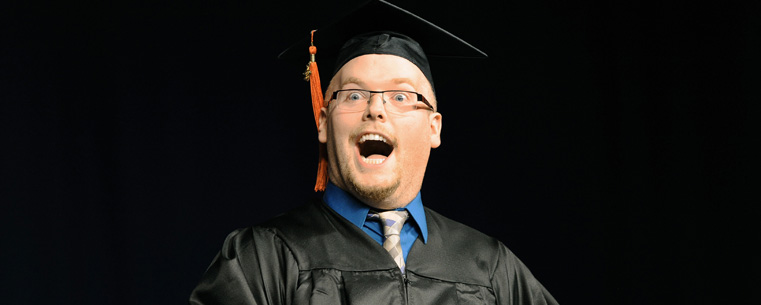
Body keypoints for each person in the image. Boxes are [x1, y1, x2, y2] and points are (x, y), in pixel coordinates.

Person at [189, 1, 558, 304]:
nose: (375, 110)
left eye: (401, 96)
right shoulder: (263, 261)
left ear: (434, 127)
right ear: (323, 121)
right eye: (353, 95)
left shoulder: (491, 268)